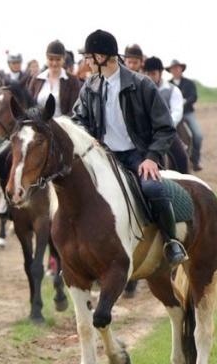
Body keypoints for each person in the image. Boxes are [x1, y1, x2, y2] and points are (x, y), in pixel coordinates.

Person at [71, 29, 187, 267]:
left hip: (137, 155)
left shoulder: (142, 84)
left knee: (152, 188)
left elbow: (165, 127)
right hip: (103, 155)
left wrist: (152, 157)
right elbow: (77, 119)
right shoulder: (90, 84)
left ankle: (172, 241)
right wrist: (87, 136)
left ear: (103, 57)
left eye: (89, 56)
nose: (86, 62)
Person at [142, 56, 190, 173]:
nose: (150, 77)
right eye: (147, 74)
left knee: (182, 157)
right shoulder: (140, 89)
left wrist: (163, 127)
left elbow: (177, 113)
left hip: (166, 131)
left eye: (153, 74)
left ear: (160, 73)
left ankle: (185, 185)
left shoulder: (173, 90)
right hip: (144, 131)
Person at [27, 39, 81, 117]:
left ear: (63, 59)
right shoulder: (36, 80)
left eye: (58, 59)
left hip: (63, 127)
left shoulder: (72, 81)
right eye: (51, 59)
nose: (54, 63)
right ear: (46, 58)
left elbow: (74, 110)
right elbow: (29, 105)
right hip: (39, 126)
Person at [168, 58, 203, 171]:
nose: (175, 70)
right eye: (173, 68)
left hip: (187, 113)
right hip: (172, 114)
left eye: (177, 68)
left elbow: (194, 96)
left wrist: (185, 101)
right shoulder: (168, 85)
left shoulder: (189, 83)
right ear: (170, 70)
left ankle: (195, 160)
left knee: (197, 135)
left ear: (181, 69)